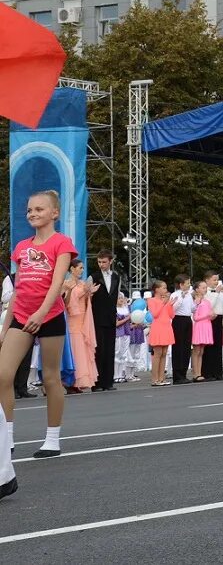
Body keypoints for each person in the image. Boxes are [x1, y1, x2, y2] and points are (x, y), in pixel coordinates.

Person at [0, 190, 78, 464]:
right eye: (30, 210)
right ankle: (6, 439)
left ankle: (52, 439)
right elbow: (18, 290)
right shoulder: (22, 247)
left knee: (50, 378)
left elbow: (57, 284)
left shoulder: (62, 243)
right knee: (2, 374)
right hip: (21, 316)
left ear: (54, 213)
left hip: (50, 316)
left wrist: (42, 313)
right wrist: (5, 328)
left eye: (39, 209)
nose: (33, 213)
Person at [88, 250, 122, 391]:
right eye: (99, 262)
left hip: (110, 317)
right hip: (97, 317)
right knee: (99, 350)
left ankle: (108, 382)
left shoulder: (116, 277)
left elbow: (116, 296)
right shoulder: (93, 276)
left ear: (110, 261)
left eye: (104, 262)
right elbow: (87, 297)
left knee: (109, 349)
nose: (101, 264)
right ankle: (96, 383)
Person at [65, 267, 98, 392]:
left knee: (82, 349)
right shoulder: (67, 283)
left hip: (83, 316)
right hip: (73, 318)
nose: (82, 270)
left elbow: (85, 301)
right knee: (75, 349)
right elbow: (67, 302)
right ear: (72, 269)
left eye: (83, 268)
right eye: (80, 268)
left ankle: (79, 382)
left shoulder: (82, 283)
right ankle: (71, 381)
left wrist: (89, 293)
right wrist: (83, 291)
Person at [146, 280, 174, 386]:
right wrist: (163, 303)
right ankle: (155, 379)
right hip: (158, 328)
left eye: (166, 288)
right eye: (163, 288)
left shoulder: (165, 301)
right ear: (157, 289)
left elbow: (171, 315)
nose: (165, 290)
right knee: (157, 353)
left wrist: (170, 305)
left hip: (166, 327)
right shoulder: (151, 300)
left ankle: (162, 378)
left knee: (164, 353)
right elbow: (155, 314)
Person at [168, 275, 194, 384]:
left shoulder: (189, 295)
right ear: (181, 284)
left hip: (188, 319)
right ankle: (177, 375)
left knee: (187, 347)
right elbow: (173, 308)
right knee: (179, 347)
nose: (189, 285)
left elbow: (192, 308)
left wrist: (197, 301)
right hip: (178, 320)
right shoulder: (175, 295)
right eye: (187, 283)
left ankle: (183, 373)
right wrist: (181, 298)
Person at [190, 280, 214, 381]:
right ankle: (196, 373)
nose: (205, 289)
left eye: (205, 288)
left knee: (201, 351)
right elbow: (196, 317)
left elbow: (209, 314)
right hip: (199, 326)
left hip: (206, 325)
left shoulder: (207, 301)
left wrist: (212, 316)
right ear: (197, 289)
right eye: (203, 287)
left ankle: (199, 372)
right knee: (196, 350)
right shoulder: (195, 301)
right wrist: (207, 315)